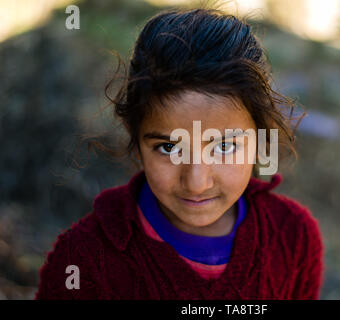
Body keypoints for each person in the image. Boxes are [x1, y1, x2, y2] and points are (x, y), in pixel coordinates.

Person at [35, 7, 324, 300]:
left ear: (261, 140)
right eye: (169, 148)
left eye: (224, 147)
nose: (197, 182)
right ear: (135, 136)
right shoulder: (84, 260)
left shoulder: (293, 237)